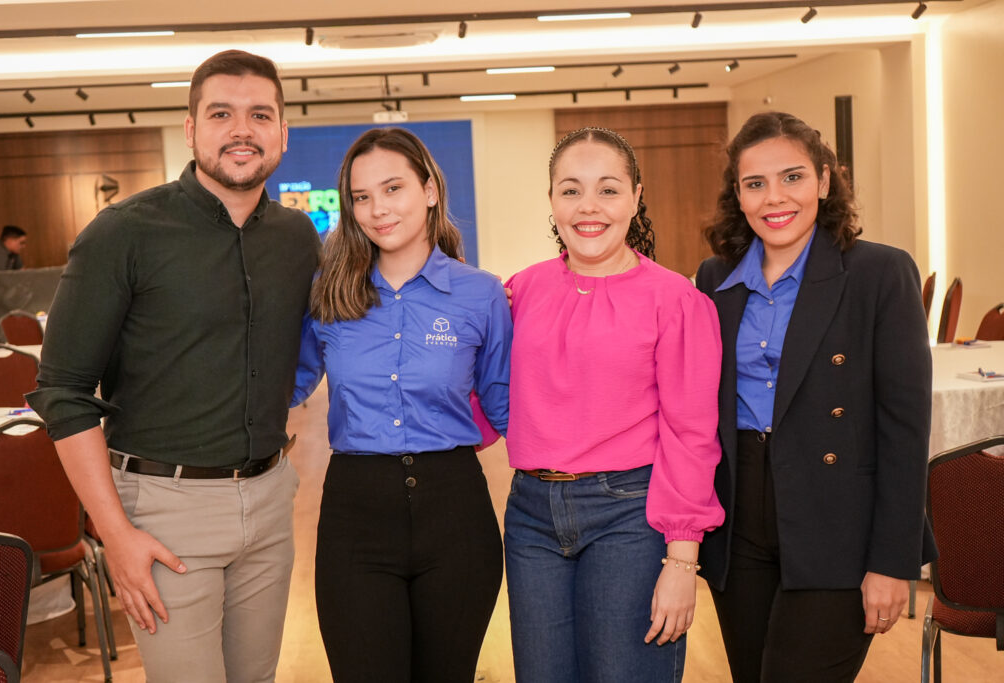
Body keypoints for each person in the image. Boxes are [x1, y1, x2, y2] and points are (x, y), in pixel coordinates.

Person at [27, 50, 320, 682]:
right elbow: (63, 391)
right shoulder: (123, 233)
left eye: (260, 115)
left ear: (282, 133)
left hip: (271, 501)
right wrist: (115, 533)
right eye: (222, 113)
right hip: (163, 511)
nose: (242, 130)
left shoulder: (298, 240)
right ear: (191, 129)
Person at [695, 111, 937, 682]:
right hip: (739, 518)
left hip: (838, 521)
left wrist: (891, 563)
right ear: (738, 194)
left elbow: (904, 430)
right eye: (755, 184)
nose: (774, 198)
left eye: (793, 177)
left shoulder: (879, 273)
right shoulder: (713, 279)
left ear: (825, 181)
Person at [503, 127, 724, 683]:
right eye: (570, 190)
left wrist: (681, 560)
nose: (589, 208)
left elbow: (691, 434)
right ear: (552, 201)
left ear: (635, 196)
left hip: (628, 514)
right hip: (530, 514)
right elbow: (487, 392)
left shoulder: (675, 299)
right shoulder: (521, 290)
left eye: (608, 189)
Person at [292, 127, 511, 683]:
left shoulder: (481, 294)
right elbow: (282, 387)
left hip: (455, 512)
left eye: (392, 189)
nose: (376, 210)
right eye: (361, 197)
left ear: (431, 189)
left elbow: (506, 403)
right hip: (355, 514)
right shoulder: (327, 293)